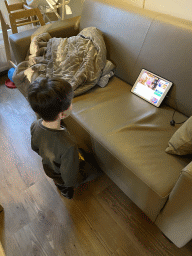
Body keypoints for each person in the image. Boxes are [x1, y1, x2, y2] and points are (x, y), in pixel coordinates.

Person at [28, 77, 102, 199]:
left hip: (48, 167)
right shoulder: (69, 145)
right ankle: (66, 191)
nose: (71, 104)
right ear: (62, 114)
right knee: (94, 171)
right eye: (70, 103)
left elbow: (34, 147)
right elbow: (70, 176)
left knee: (58, 178)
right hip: (62, 175)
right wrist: (70, 184)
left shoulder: (34, 125)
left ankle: (60, 185)